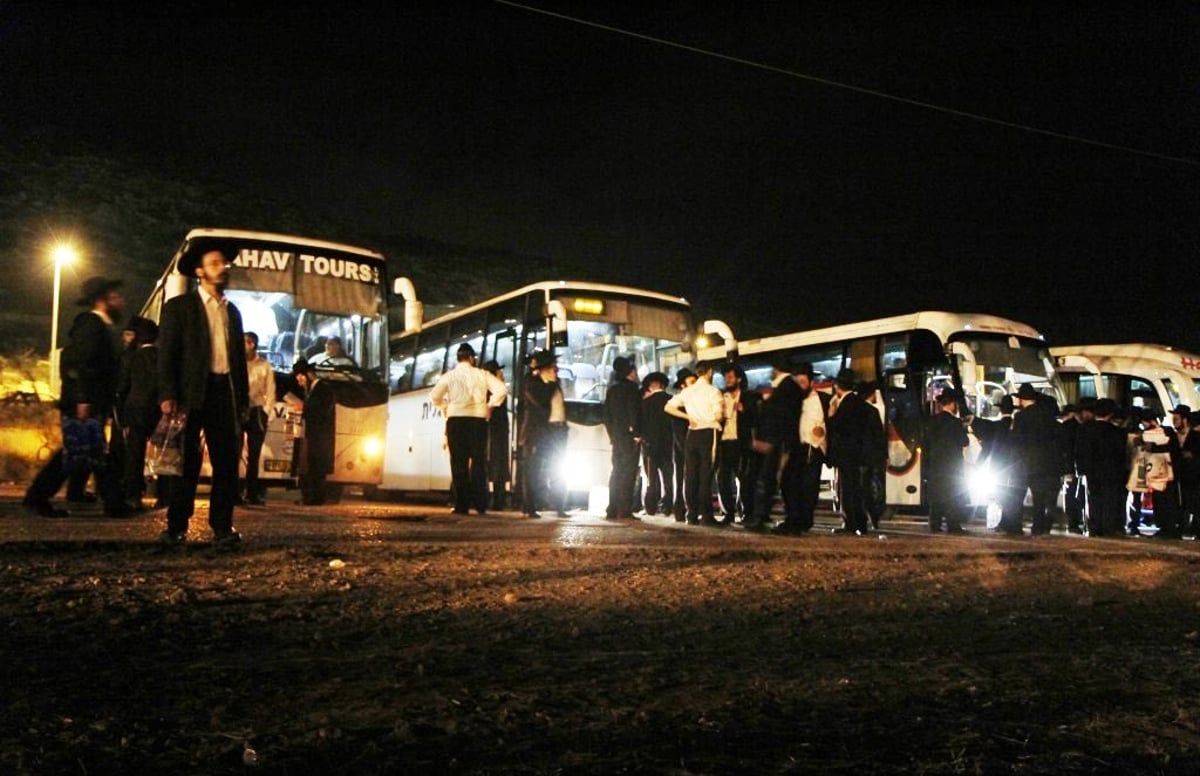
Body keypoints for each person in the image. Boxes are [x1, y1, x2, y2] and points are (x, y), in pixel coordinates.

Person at [157, 239, 250, 545]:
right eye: (214, 263)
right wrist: (168, 394)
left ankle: (222, 527)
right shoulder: (179, 308)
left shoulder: (231, 311)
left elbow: (238, 362)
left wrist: (243, 402)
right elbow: (167, 353)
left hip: (224, 392)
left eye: (223, 263)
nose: (222, 268)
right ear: (199, 271)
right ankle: (176, 526)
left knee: (226, 462)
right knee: (187, 463)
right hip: (191, 392)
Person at [23, 276, 137, 518]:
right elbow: (83, 364)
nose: (121, 301)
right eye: (115, 296)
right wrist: (83, 399)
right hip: (84, 402)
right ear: (103, 300)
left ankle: (113, 503)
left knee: (93, 453)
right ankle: (37, 497)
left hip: (92, 401)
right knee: (74, 453)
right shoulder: (91, 325)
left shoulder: (102, 326)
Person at [431, 343, 508, 515]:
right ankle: (481, 504)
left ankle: (461, 505)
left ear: (458, 358)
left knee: (459, 463)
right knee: (479, 463)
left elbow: (434, 396)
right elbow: (501, 390)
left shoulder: (449, 376)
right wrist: (490, 405)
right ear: (472, 358)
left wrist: (445, 407)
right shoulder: (482, 374)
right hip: (478, 421)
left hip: (456, 420)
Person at [745, 357, 803, 531]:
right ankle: (785, 520)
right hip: (783, 441)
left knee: (768, 480)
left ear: (776, 369)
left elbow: (778, 416)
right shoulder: (789, 387)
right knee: (782, 481)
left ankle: (762, 518)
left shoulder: (785, 389)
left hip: (778, 442)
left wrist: (767, 439)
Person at [664, 363, 723, 526]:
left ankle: (691, 514)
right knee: (705, 474)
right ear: (710, 372)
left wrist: (688, 417)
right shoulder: (713, 391)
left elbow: (668, 407)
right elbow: (718, 416)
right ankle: (706, 515)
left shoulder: (687, 392)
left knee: (690, 475)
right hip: (708, 432)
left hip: (692, 433)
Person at [775, 362, 827, 535]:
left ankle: (804, 521)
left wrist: (822, 431)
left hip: (813, 449)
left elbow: (830, 422)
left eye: (803, 382)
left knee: (809, 487)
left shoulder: (822, 400)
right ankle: (793, 520)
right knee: (790, 485)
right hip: (794, 448)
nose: (800, 387)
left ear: (811, 383)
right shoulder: (791, 400)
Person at [826, 368, 877, 535]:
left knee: (848, 490)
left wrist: (831, 416)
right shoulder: (862, 404)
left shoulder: (845, 405)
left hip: (847, 454)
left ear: (837, 386)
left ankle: (851, 523)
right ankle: (860, 524)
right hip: (859, 454)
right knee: (857, 489)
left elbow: (838, 428)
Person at [516, 349, 567, 518]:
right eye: (553, 367)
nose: (556, 370)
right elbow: (541, 402)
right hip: (537, 433)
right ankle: (529, 506)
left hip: (557, 432)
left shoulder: (555, 383)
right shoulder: (533, 383)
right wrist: (550, 384)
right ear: (544, 369)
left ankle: (559, 504)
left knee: (558, 469)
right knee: (533, 470)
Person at [118, 316, 161, 507]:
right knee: (164, 452)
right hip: (158, 409)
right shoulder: (163, 357)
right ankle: (164, 495)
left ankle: (133, 494)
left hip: (135, 409)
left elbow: (124, 386)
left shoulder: (132, 358)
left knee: (134, 453)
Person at [1010, 383, 1062, 535]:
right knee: (1039, 498)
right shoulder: (1047, 418)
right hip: (1043, 464)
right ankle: (1038, 527)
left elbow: (1016, 441)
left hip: (1023, 463)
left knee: (1018, 496)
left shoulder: (1020, 417)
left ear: (1021, 400)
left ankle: (1016, 527)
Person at [716, 363, 761, 524]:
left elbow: (757, 420)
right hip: (724, 442)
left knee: (744, 479)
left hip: (741, 443)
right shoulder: (721, 396)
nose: (727, 380)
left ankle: (746, 513)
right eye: (725, 377)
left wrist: (744, 410)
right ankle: (727, 513)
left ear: (739, 379)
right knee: (723, 479)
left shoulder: (749, 397)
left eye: (730, 377)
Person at [1074, 398, 1127, 536]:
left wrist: (1080, 469)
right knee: (1110, 500)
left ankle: (1094, 527)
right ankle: (1108, 528)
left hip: (1091, 471)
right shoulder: (1117, 432)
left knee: (1093, 498)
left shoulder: (1084, 429)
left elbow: (1079, 451)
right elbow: (1121, 455)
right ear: (1110, 414)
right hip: (1111, 472)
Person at [291, 359, 336, 505]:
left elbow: (321, 411)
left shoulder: (324, 389)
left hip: (321, 436)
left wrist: (303, 408)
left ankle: (316, 498)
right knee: (310, 466)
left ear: (309, 375)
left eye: (301, 378)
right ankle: (310, 496)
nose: (299, 382)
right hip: (312, 435)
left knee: (317, 468)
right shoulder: (312, 390)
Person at [604, 356, 643, 521]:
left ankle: (612, 508)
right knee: (629, 473)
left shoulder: (612, 390)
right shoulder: (633, 389)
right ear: (631, 372)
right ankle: (624, 509)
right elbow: (634, 412)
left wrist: (612, 435)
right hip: (629, 437)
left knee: (616, 472)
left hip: (617, 437)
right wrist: (636, 434)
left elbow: (606, 416)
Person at [924, 391, 968, 533]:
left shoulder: (931, 421)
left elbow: (926, 443)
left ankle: (934, 523)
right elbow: (964, 441)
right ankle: (953, 524)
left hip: (936, 463)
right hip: (952, 465)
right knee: (952, 494)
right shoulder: (955, 423)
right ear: (952, 404)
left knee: (936, 494)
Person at [240, 331, 276, 506]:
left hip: (256, 411)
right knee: (233, 452)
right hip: (239, 410)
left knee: (254, 455)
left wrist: (266, 412)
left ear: (252, 344)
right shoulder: (237, 363)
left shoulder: (264, 366)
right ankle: (234, 491)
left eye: (245, 342)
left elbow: (271, 390)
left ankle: (251, 492)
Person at [1139, 410, 1183, 539]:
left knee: (1166, 499)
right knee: (1159, 499)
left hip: (1165, 471)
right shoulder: (1167, 432)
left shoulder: (1165, 432)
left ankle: (1168, 527)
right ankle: (1165, 526)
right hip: (1160, 471)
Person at [639, 372, 674, 516]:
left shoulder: (645, 403)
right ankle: (668, 506)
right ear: (663, 385)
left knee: (651, 479)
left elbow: (641, 425)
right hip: (668, 445)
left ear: (651, 386)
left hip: (650, 446)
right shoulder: (671, 400)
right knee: (668, 478)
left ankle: (651, 506)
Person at [481, 360, 511, 510]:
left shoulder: (493, 389)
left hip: (498, 432)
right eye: (499, 371)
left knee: (497, 465)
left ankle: (498, 499)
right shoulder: (494, 391)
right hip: (495, 432)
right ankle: (497, 500)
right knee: (496, 465)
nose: (502, 373)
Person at [669, 368, 696, 521]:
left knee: (682, 478)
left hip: (685, 445)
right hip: (684, 446)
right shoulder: (679, 403)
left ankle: (682, 509)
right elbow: (678, 430)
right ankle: (682, 509)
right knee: (682, 479)